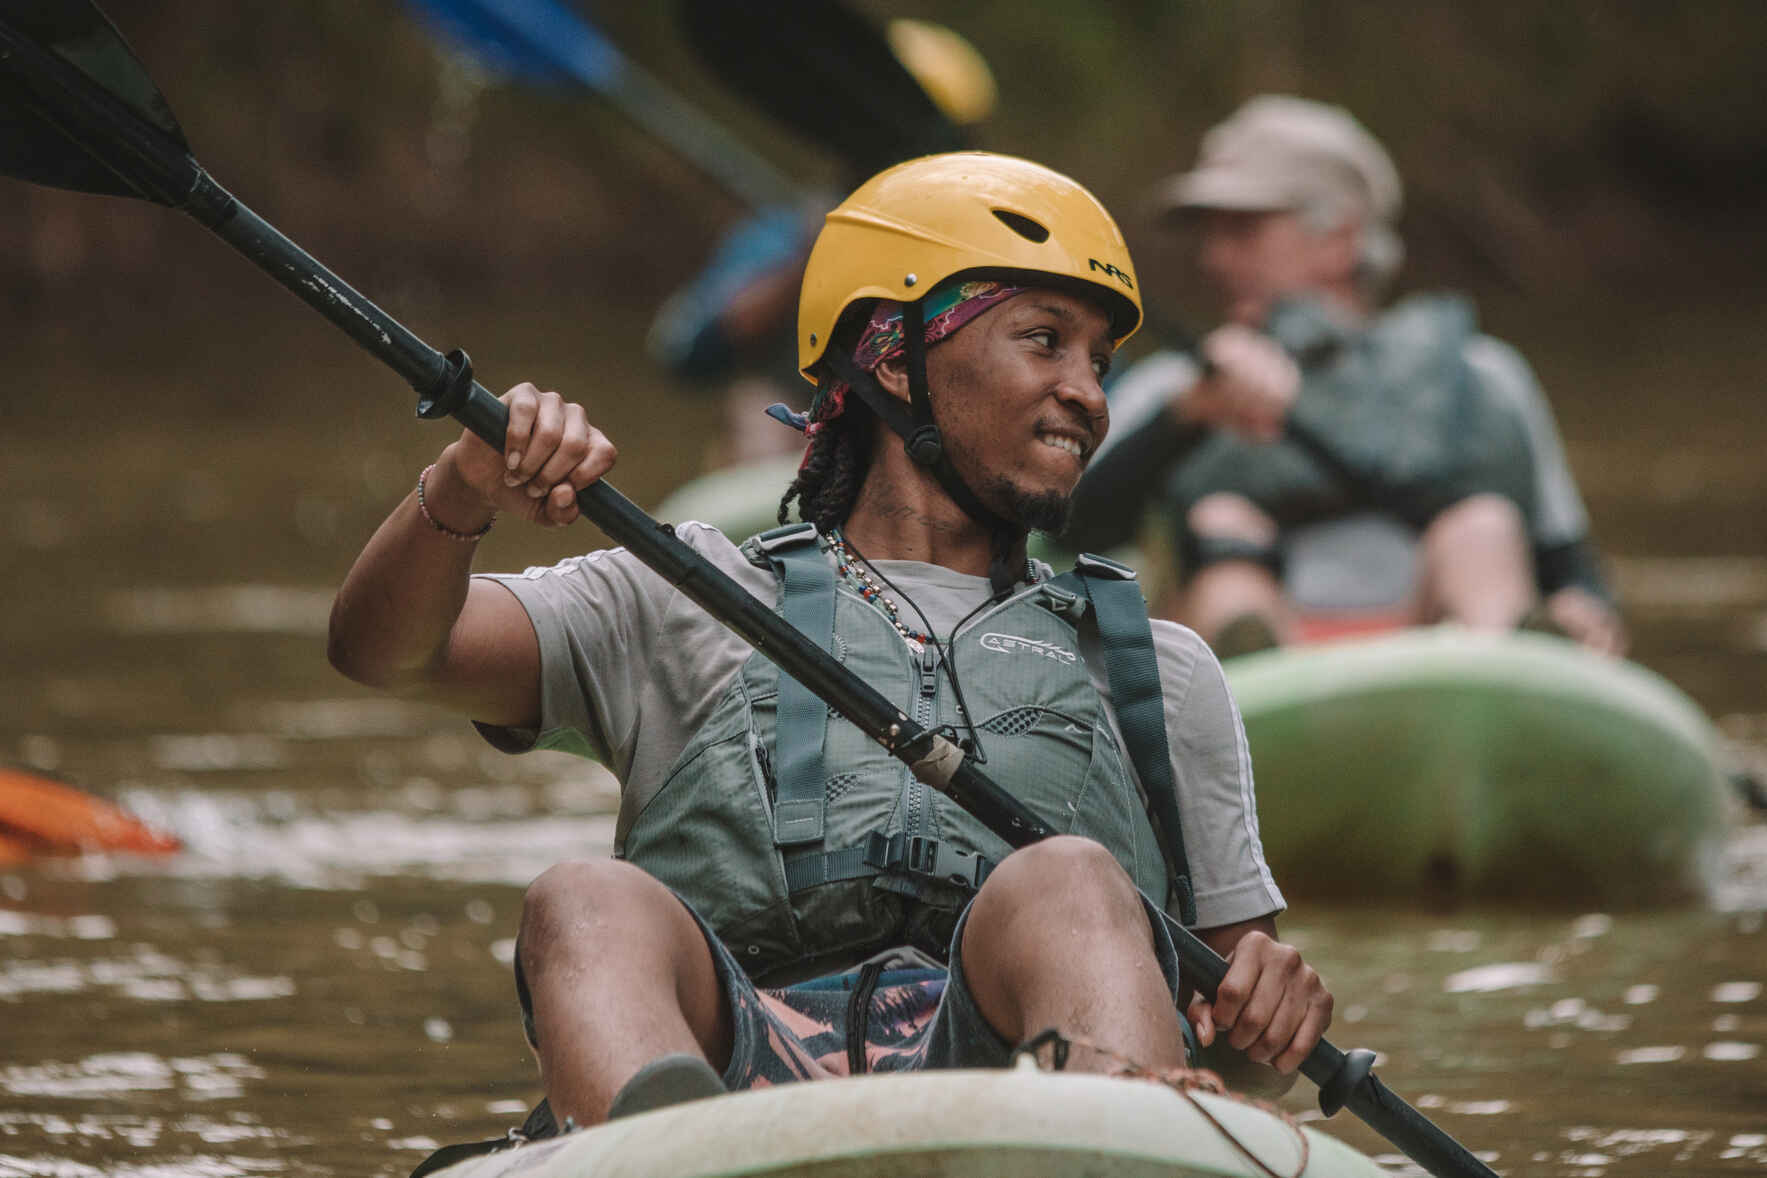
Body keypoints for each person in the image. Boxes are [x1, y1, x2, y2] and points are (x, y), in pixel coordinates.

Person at [329, 153, 1328, 1146]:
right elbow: (383, 650)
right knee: (583, 899)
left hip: (1031, 1112)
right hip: (732, 1099)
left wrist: (1268, 1021)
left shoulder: (1162, 669)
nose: (1092, 395)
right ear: (894, 357)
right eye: (1044, 341)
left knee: (1064, 881)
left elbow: (1240, 1053)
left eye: (1097, 362)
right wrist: (464, 486)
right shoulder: (686, 593)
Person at [1066, 95, 1625, 655]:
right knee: (1224, 533)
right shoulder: (1175, 389)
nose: (1213, 257)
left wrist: (1585, 609)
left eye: (1243, 230)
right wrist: (1183, 419)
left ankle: (1499, 666)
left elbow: (1574, 574)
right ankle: (1247, 660)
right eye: (1210, 233)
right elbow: (1067, 541)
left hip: (1447, 645)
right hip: (1250, 660)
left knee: (1482, 529)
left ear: (1339, 239)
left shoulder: (1486, 377)